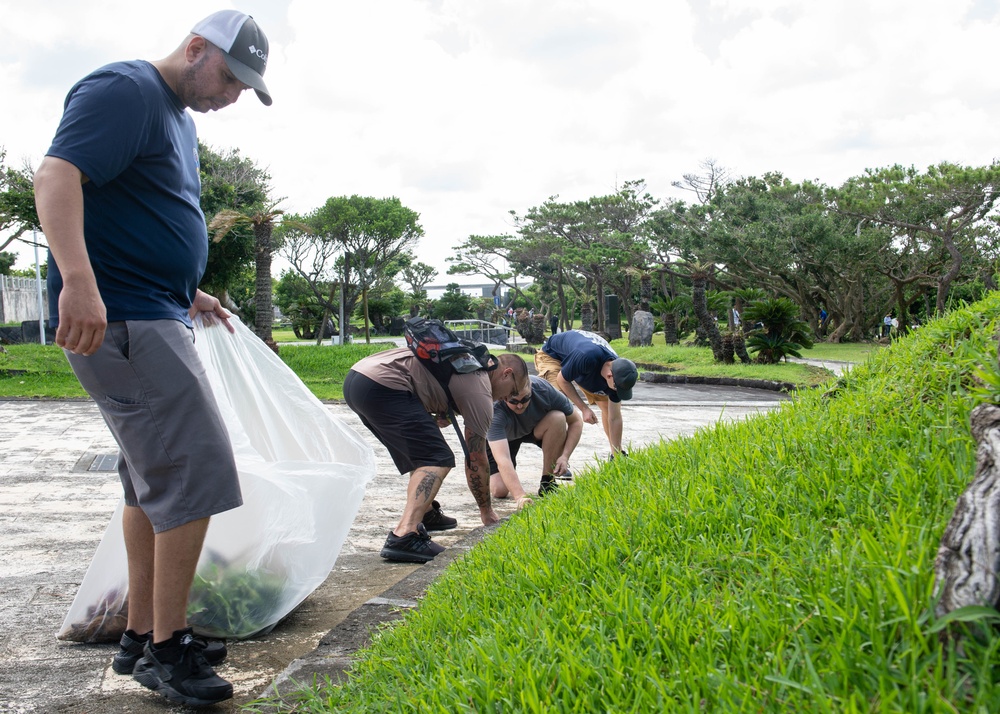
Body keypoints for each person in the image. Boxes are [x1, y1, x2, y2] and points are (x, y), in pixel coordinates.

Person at [33, 10, 272, 707]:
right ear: (195, 48)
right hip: (127, 317)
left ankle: (144, 634)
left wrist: (186, 286)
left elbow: (136, 212)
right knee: (196, 468)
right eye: (229, 77)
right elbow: (57, 176)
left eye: (243, 88)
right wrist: (78, 281)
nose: (231, 96)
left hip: (154, 306)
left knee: (152, 481)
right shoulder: (127, 89)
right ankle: (169, 652)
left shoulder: (175, 116)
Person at [343, 349, 529, 563]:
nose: (507, 399)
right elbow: (476, 458)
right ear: (506, 373)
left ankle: (426, 512)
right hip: (383, 385)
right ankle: (405, 534)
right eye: (511, 392)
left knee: (425, 450)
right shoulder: (481, 390)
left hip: (358, 379)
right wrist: (486, 511)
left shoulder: (472, 361)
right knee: (435, 458)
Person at [534, 330, 638, 456]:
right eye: (618, 388)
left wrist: (617, 454)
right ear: (610, 376)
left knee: (607, 407)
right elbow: (563, 380)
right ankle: (558, 461)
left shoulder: (619, 372)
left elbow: (614, 417)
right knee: (560, 405)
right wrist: (584, 409)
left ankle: (616, 454)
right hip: (553, 356)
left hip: (582, 366)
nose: (617, 391)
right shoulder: (586, 356)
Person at [487, 375, 583, 502]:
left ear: (530, 389)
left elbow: (576, 421)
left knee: (558, 417)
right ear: (504, 397)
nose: (520, 405)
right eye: (514, 401)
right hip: (502, 438)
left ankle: (548, 481)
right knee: (500, 490)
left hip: (531, 429)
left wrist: (565, 456)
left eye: (525, 399)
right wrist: (520, 496)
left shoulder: (544, 390)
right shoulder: (495, 409)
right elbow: (502, 458)